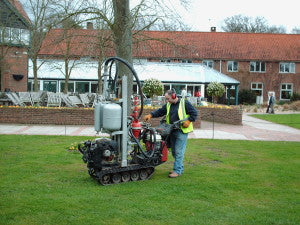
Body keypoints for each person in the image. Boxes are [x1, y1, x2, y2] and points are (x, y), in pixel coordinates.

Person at [143, 89, 198, 178]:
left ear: (173, 96)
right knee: (174, 152)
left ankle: (177, 171)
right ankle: (179, 168)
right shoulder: (168, 105)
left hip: (182, 131)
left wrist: (189, 121)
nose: (167, 101)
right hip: (172, 130)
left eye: (168, 98)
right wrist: (151, 115)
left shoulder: (184, 103)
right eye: (166, 99)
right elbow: (160, 111)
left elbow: (194, 113)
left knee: (179, 151)